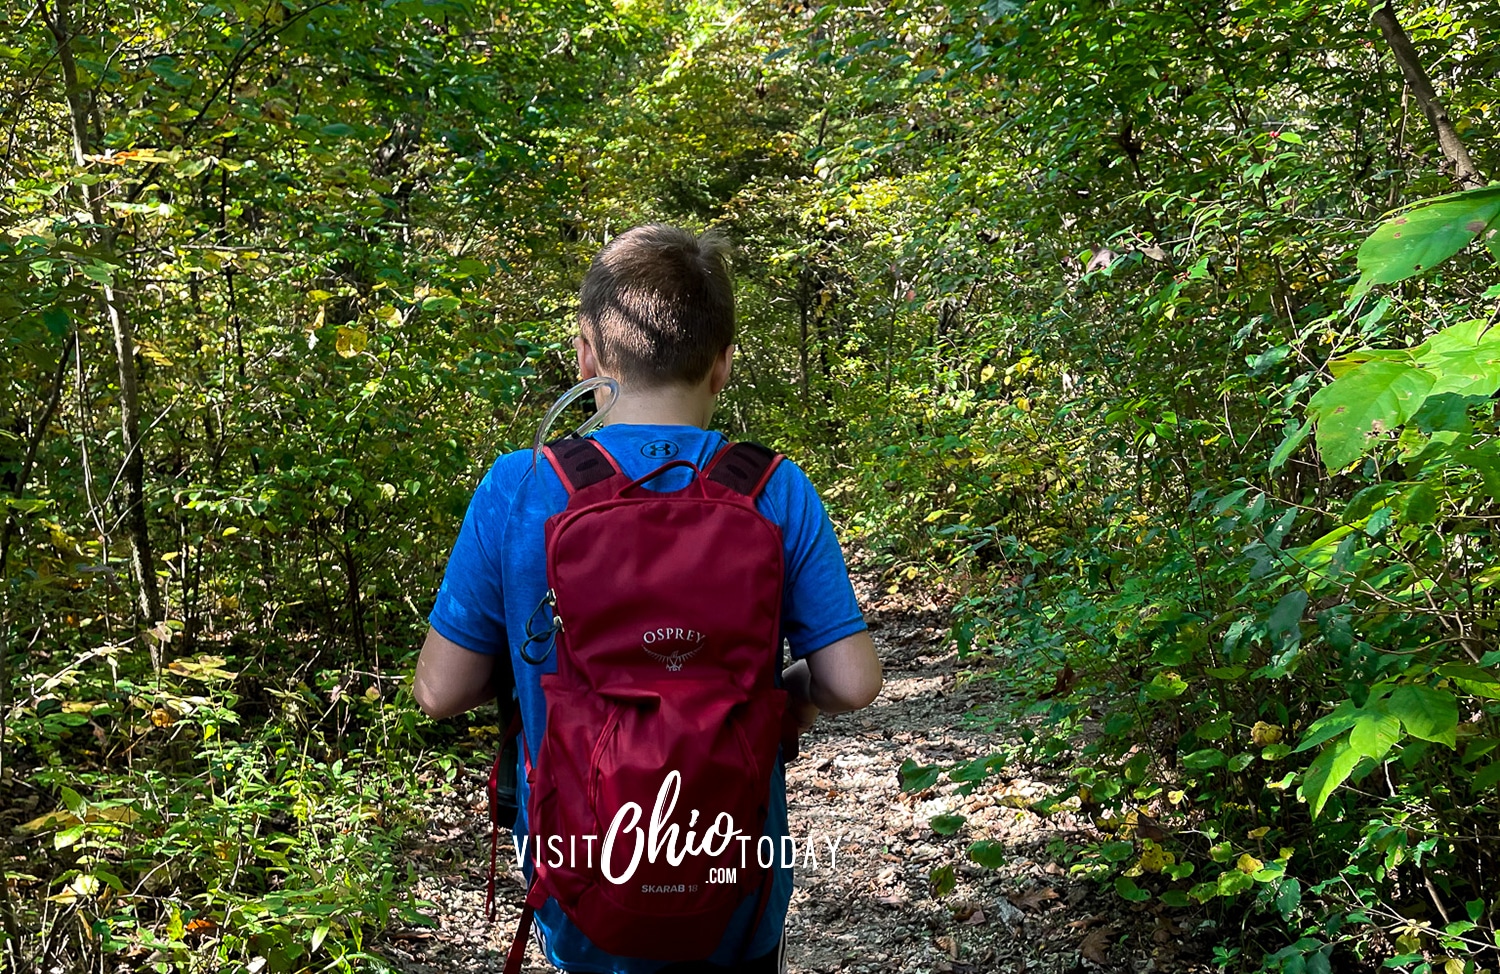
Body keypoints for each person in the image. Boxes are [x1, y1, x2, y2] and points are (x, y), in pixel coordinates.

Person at [412, 224, 883, 973]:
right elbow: (853, 681)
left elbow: (441, 690)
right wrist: (787, 690)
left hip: (583, 883)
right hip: (735, 885)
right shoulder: (773, 489)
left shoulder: (522, 486)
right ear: (724, 364)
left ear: (587, 354)